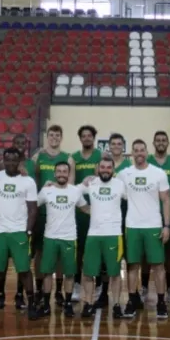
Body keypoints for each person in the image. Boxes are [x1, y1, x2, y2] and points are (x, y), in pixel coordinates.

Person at [0, 148, 39, 321]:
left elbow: (33, 209)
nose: (10, 163)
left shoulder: (28, 182)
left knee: (25, 270)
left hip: (19, 232)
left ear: (20, 161)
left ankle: (32, 305)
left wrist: (28, 231)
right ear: (3, 161)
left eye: (14, 160)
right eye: (7, 160)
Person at [119, 139, 170, 319]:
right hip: (132, 226)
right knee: (132, 265)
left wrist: (167, 225)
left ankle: (161, 302)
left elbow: (166, 200)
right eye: (136, 150)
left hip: (153, 226)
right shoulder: (124, 174)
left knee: (158, 266)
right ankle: (133, 300)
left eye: (142, 150)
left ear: (147, 152)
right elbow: (108, 185)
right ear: (132, 153)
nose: (139, 153)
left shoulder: (158, 173)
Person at [78, 157, 128, 319]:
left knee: (115, 274)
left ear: (113, 170)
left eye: (108, 167)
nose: (105, 169)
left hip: (114, 235)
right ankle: (88, 303)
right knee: (88, 273)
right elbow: (71, 192)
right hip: (94, 235)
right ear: (97, 169)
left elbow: (138, 198)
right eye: (102, 167)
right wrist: (86, 209)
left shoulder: (120, 185)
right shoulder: (91, 183)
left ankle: (116, 305)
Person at [31, 125, 75, 306]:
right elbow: (32, 181)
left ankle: (58, 290)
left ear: (61, 137)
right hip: (42, 211)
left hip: (61, 212)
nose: (54, 137)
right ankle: (40, 287)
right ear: (47, 137)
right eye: (51, 135)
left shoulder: (68, 158)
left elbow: (70, 186)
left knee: (59, 255)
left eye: (58, 135)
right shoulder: (38, 157)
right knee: (40, 252)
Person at [36, 162, 86, 318]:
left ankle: (68, 304)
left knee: (69, 274)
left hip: (69, 238)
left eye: (65, 171)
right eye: (59, 171)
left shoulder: (75, 191)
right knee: (46, 273)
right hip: (50, 237)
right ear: (54, 173)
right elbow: (32, 206)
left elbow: (86, 208)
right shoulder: (46, 190)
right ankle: (46, 305)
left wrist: (106, 214)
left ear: (69, 173)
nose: (62, 174)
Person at [148, 130, 170, 306]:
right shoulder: (148, 162)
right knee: (147, 257)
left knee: (169, 256)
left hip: (169, 216)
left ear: (168, 143)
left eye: (163, 140)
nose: (160, 142)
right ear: (154, 143)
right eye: (158, 140)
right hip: (149, 217)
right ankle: (145, 288)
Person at [2, 132, 33, 309]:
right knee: (2, 262)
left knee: (23, 262)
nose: (20, 145)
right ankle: (0, 294)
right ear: (13, 143)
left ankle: (20, 295)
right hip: (3, 220)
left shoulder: (32, 164)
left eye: (23, 142)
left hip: (22, 220)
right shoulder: (2, 164)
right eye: (17, 142)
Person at [71, 125, 102, 304]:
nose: (87, 138)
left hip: (98, 209)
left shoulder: (100, 156)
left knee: (96, 249)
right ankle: (76, 283)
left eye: (90, 135)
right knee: (79, 249)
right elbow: (70, 181)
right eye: (84, 136)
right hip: (79, 210)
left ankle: (98, 285)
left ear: (94, 138)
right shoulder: (74, 158)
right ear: (80, 138)